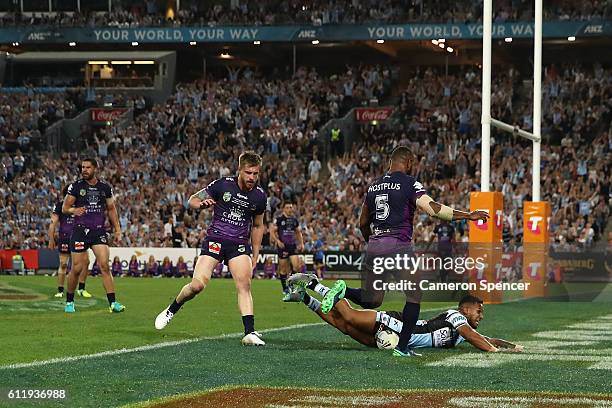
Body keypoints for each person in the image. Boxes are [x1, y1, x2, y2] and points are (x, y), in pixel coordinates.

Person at [315, 146, 489, 357]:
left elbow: (362, 222)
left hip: (376, 245)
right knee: (414, 295)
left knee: (373, 299)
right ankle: (402, 347)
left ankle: (344, 292)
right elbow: (433, 209)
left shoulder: (374, 186)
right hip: (399, 245)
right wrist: (468, 215)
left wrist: (373, 242)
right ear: (407, 162)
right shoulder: (409, 183)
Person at [155, 151, 267, 346]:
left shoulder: (259, 196)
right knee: (197, 285)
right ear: (239, 170)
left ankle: (249, 332)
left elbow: (258, 226)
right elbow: (192, 199)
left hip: (239, 244)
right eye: (248, 173)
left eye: (255, 174)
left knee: (244, 285)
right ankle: (172, 308)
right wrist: (200, 205)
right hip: (215, 240)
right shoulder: (222, 185)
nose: (252, 178)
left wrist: (255, 254)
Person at [288, 278, 523, 353]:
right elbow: (476, 338)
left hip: (397, 336)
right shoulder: (456, 318)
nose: (481, 315)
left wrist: (511, 346)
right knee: (349, 316)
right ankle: (314, 284)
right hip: (397, 325)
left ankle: (304, 298)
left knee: (344, 327)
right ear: (465, 309)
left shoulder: (464, 330)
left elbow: (486, 338)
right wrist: (491, 350)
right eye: (479, 310)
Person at [62, 158, 125, 313]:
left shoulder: (105, 187)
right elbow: (65, 207)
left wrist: (117, 229)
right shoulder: (76, 186)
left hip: (98, 231)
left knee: (104, 265)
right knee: (76, 268)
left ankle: (113, 303)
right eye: (82, 167)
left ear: (95, 168)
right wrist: (73, 211)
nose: (84, 170)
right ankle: (69, 302)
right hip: (79, 231)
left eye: (88, 167)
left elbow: (111, 209)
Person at [48, 185, 91, 298]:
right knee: (63, 264)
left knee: (85, 262)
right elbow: (53, 222)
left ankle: (81, 288)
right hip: (65, 238)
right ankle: (60, 290)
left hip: (79, 237)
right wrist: (51, 238)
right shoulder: (59, 206)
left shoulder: (80, 206)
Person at [270, 201, 304, 299]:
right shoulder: (279, 219)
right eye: (288, 207)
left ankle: (291, 285)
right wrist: (277, 241)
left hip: (292, 246)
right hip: (283, 246)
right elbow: (272, 231)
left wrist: (301, 243)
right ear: (284, 209)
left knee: (296, 267)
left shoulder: (294, 220)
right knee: (283, 269)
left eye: (291, 207)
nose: (290, 209)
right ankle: (285, 288)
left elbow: (298, 232)